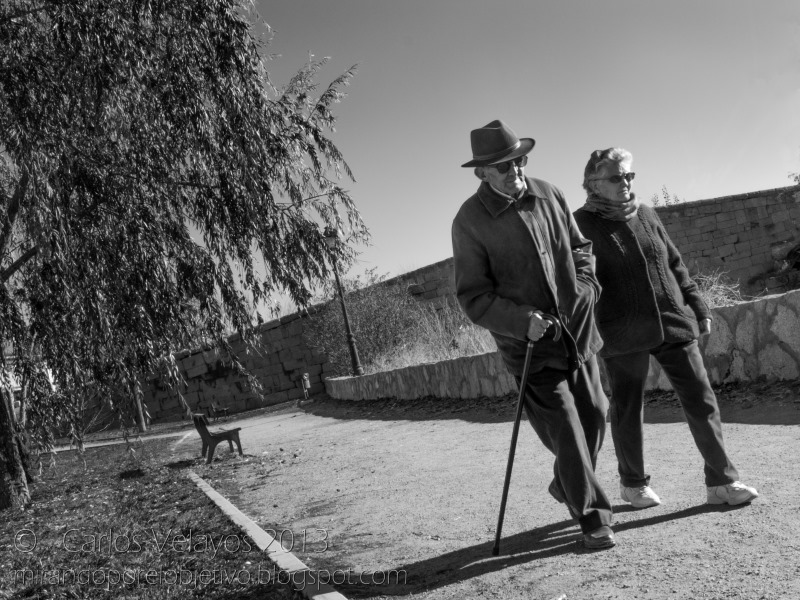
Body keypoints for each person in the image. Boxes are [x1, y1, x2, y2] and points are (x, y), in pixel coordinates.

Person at [452, 120, 615, 550]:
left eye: (518, 160)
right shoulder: (469, 221)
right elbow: (474, 297)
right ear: (482, 173)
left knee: (597, 414)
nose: (514, 170)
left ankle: (566, 483)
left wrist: (587, 287)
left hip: (578, 332)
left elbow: (581, 248)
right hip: (531, 347)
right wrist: (522, 320)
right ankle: (593, 517)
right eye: (502, 166)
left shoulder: (550, 193)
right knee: (567, 429)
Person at [573, 148, 758, 509]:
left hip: (672, 318)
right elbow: (579, 278)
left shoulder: (646, 213)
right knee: (628, 406)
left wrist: (697, 303)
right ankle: (633, 483)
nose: (625, 182)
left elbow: (674, 262)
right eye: (616, 177)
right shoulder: (579, 224)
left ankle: (721, 482)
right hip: (622, 329)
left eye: (629, 176)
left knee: (702, 399)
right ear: (593, 184)